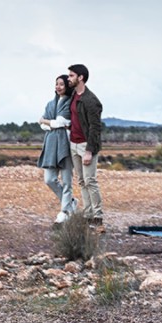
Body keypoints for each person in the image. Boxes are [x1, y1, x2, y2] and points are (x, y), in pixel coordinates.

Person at [66, 63, 103, 229]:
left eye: (72, 75)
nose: (69, 78)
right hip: (73, 144)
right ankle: (88, 215)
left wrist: (89, 151)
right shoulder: (74, 95)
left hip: (85, 145)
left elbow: (96, 128)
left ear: (80, 77)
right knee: (81, 181)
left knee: (90, 181)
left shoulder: (91, 101)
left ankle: (98, 217)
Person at [37, 74, 77, 224]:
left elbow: (59, 122)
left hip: (65, 144)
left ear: (67, 86)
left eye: (61, 84)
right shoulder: (50, 104)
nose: (58, 87)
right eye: (56, 84)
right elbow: (43, 125)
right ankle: (70, 202)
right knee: (49, 180)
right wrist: (50, 123)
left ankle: (65, 211)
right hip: (51, 144)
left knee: (67, 180)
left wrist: (47, 121)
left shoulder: (70, 103)